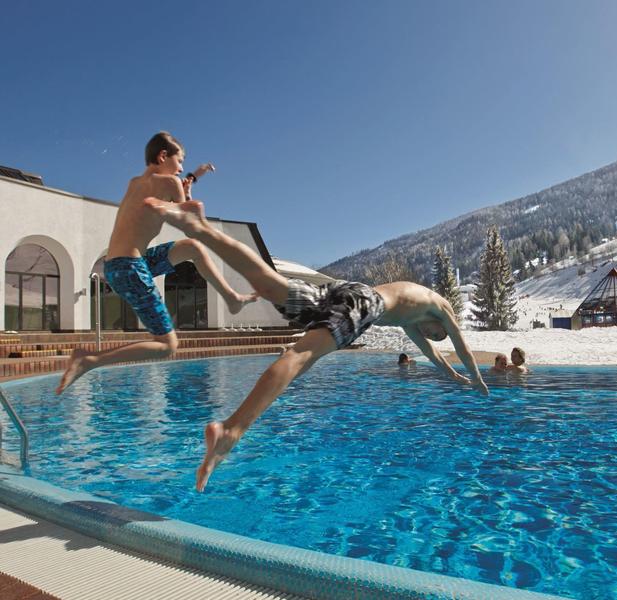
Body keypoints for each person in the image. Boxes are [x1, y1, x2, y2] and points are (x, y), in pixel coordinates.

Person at [146, 198, 489, 491]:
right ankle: (230, 431)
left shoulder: (414, 318)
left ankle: (201, 229)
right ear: (441, 322)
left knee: (268, 282)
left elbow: (433, 355)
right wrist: (477, 378)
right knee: (299, 356)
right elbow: (460, 346)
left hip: (346, 289)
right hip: (364, 304)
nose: (432, 336)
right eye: (437, 333)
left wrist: (455, 377)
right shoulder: (441, 306)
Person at [56, 132, 258, 394]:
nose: (181, 167)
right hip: (131, 268)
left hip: (120, 264)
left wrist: (192, 180)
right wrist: (188, 191)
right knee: (167, 345)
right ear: (163, 156)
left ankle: (232, 298)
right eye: (180, 160)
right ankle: (89, 360)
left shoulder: (134, 182)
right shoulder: (171, 182)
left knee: (192, 248)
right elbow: (191, 224)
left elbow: (167, 202)